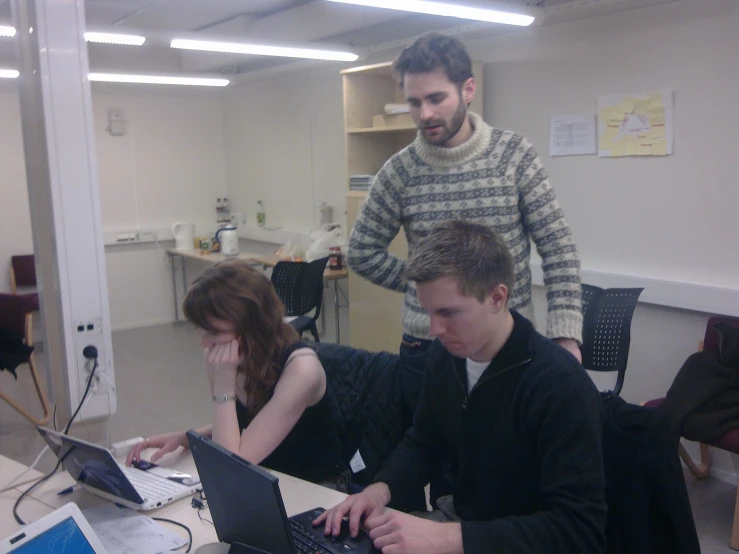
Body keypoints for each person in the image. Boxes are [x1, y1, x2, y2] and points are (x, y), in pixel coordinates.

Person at [316, 221, 606, 553]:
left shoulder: (559, 385)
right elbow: (424, 442)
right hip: (463, 524)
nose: (434, 329)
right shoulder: (445, 357)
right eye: (428, 311)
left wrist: (448, 537)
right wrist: (377, 492)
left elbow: (580, 531)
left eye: (448, 313)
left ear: (497, 297)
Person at [347, 32, 583, 422]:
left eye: (436, 98)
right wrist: (427, 289)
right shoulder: (399, 172)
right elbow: (362, 252)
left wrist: (564, 336)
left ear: (467, 89)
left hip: (509, 344)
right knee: (435, 465)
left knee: (512, 469)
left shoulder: (513, 155)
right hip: (428, 347)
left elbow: (558, 249)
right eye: (414, 102)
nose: (425, 114)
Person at [127, 259, 348, 490]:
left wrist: (224, 384)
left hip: (318, 490)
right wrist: (187, 437)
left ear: (251, 325)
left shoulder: (302, 370)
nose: (204, 342)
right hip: (265, 476)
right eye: (200, 329)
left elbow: (232, 464)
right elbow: (245, 428)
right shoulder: (223, 358)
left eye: (214, 332)